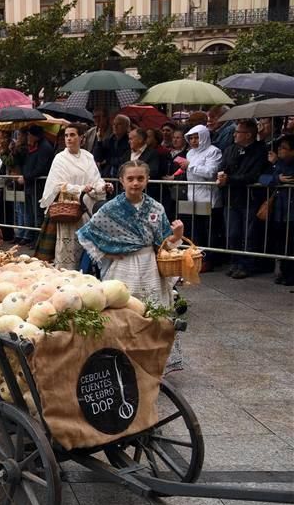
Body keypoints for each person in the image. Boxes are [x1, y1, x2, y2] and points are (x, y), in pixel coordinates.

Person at [77, 159, 185, 373]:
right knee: (123, 313)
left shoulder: (156, 207)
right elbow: (86, 233)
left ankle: (152, 361)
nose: (135, 183)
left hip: (150, 267)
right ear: (121, 181)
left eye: (140, 178)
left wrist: (177, 236)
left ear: (147, 180)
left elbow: (163, 243)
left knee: (153, 312)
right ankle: (121, 361)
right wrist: (106, 252)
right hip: (123, 267)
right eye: (130, 179)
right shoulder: (111, 208)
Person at [38, 125, 110, 269]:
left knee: (87, 247)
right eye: (66, 135)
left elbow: (96, 179)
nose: (69, 138)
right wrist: (80, 188)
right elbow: (58, 185)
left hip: (87, 208)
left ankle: (87, 273)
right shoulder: (60, 158)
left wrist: (103, 186)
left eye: (72, 135)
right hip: (68, 209)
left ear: (81, 138)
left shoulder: (88, 156)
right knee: (69, 248)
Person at [218, 119, 270, 279]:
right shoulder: (230, 149)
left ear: (248, 135)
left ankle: (247, 265)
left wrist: (231, 179)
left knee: (249, 234)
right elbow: (224, 166)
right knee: (232, 233)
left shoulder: (261, 150)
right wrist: (222, 175)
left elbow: (253, 175)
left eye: (238, 132)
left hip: (249, 199)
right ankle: (235, 261)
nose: (234, 134)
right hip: (231, 198)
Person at [183, 125, 224, 271]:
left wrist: (190, 166)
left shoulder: (214, 151)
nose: (193, 141)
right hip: (192, 196)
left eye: (196, 137)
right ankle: (196, 258)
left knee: (209, 231)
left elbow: (211, 172)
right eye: (191, 138)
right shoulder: (190, 153)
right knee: (196, 230)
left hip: (208, 198)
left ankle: (209, 260)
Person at [263, 134, 294, 285]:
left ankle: (291, 274)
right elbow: (263, 178)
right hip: (279, 210)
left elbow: (289, 177)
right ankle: (284, 271)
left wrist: (278, 172)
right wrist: (277, 178)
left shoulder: (285, 165)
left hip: (290, 209)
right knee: (281, 242)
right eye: (279, 147)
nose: (280, 150)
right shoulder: (278, 164)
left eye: (284, 148)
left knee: (291, 242)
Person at [23, 125, 54, 244]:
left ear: (35, 136)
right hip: (31, 185)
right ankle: (33, 237)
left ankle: (38, 240)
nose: (27, 137)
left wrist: (27, 176)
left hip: (39, 185)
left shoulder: (45, 148)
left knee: (38, 214)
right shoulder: (34, 147)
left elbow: (41, 168)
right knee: (31, 213)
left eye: (29, 135)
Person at [95, 114, 131, 178]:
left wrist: (107, 160)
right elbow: (98, 158)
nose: (115, 126)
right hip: (107, 174)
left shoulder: (130, 141)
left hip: (122, 176)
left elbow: (124, 160)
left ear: (127, 126)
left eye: (119, 124)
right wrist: (99, 141)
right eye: (114, 124)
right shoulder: (109, 140)